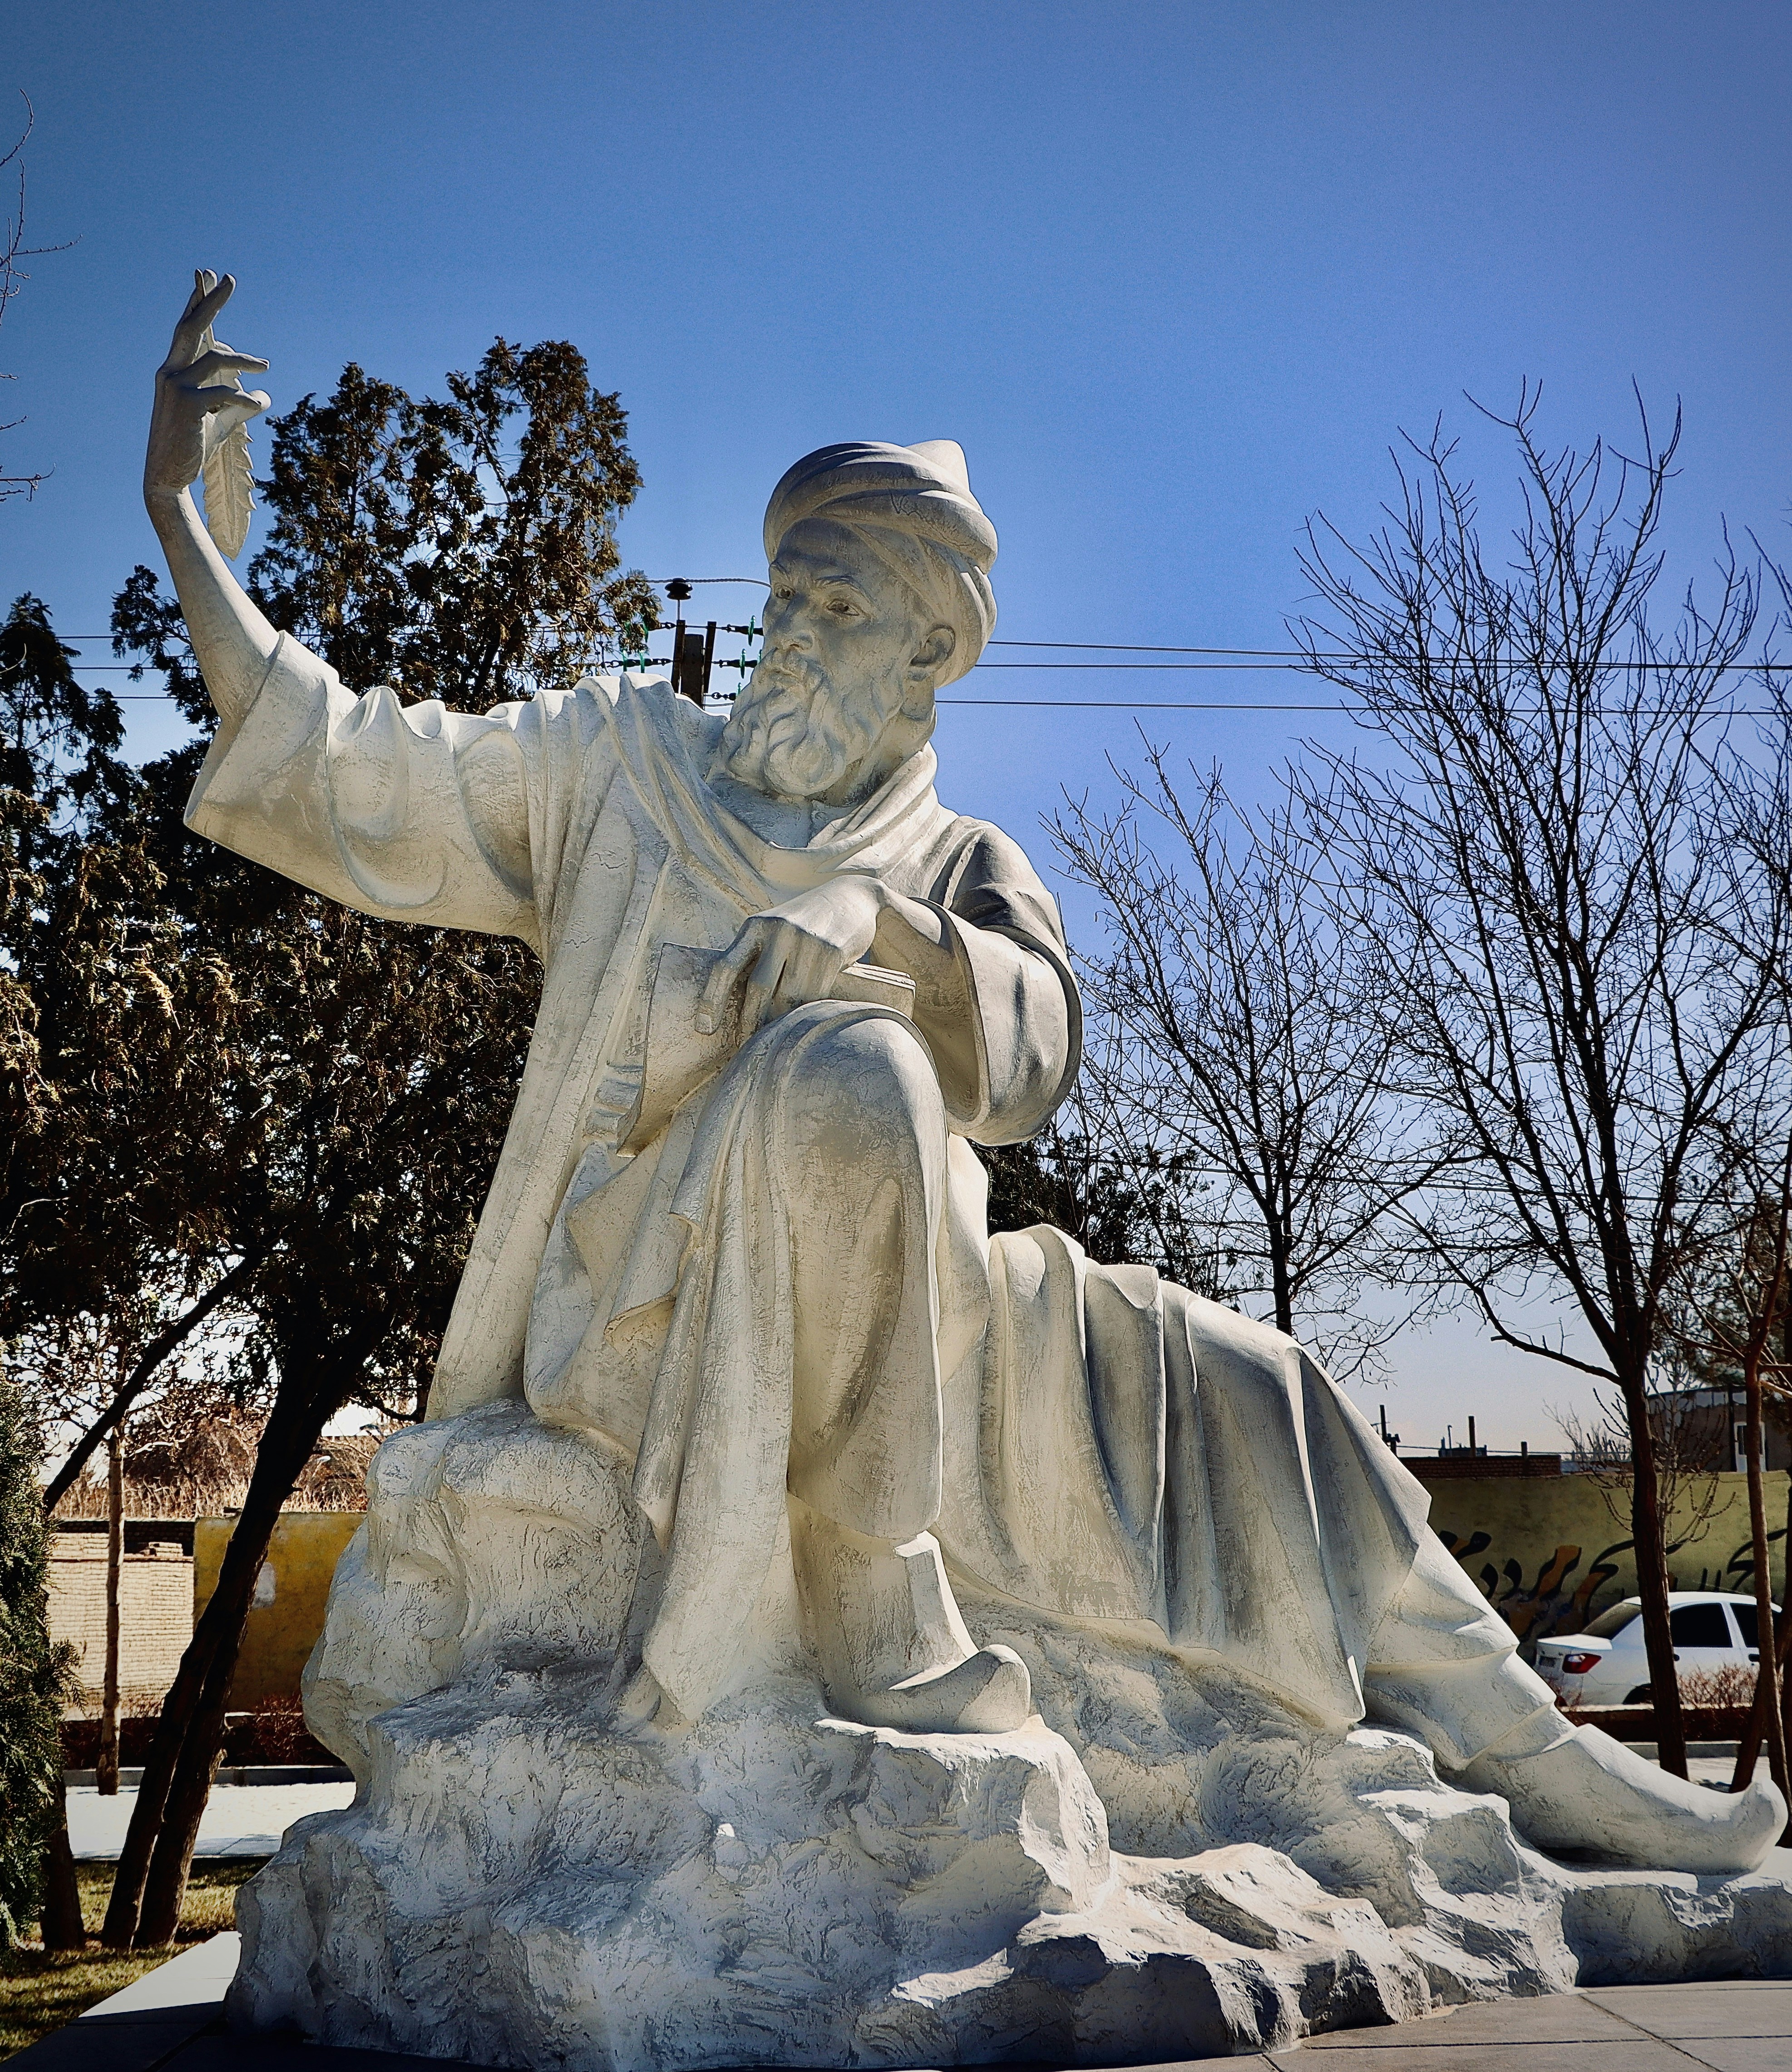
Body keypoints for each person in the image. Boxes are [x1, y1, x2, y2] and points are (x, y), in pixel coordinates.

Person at [145, 272, 1784, 1872]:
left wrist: (877, 925)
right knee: (845, 1066)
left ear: (929, 654)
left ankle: (1543, 1764)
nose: (786, 631)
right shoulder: (621, 770)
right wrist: (193, 546)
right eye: (784, 594)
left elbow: (1030, 1051)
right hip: (649, 1314)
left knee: (1252, 1387)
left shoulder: (955, 855)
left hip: (923, 1310)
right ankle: (868, 1586)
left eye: (834, 606)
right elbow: (365, 774)